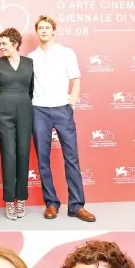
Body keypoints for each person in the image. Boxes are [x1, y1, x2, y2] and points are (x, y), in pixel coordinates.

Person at [28, 16, 96, 222]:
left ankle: (76, 205)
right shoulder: (31, 57)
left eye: (48, 27)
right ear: (37, 31)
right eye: (41, 27)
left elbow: (75, 80)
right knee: (43, 160)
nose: (44, 30)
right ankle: (51, 203)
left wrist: (72, 104)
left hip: (62, 109)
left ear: (54, 31)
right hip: (38, 110)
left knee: (72, 158)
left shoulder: (66, 52)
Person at [0, 28, 34, 220]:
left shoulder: (29, 63)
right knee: (8, 155)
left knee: (23, 154)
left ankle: (21, 199)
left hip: (25, 111)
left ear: (15, 44)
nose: (1, 47)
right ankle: (10, 200)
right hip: (3, 112)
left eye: (4, 43)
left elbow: (33, 90)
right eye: (0, 43)